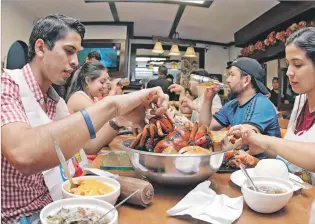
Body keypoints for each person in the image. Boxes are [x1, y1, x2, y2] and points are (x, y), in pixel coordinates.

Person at [1, 14, 167, 223]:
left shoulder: (55, 101)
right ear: (40, 48)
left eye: (77, 54)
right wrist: (113, 105)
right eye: (69, 51)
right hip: (23, 216)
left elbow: (87, 148)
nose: (74, 62)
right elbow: (22, 153)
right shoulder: (6, 86)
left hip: (58, 202)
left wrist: (122, 117)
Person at [228, 27, 315, 189]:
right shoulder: (301, 102)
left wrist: (267, 141)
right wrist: (260, 145)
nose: (289, 73)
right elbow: (292, 156)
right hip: (295, 195)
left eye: (298, 65)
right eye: (288, 64)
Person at [199, 57, 281, 159]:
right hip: (239, 163)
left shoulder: (262, 104)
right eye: (228, 75)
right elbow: (205, 127)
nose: (227, 80)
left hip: (262, 168)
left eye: (232, 75)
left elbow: (246, 135)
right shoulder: (232, 104)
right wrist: (208, 99)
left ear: (246, 80)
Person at [66, 62, 132, 154]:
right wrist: (112, 91)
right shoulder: (78, 98)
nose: (105, 86)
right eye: (102, 82)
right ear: (88, 81)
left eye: (107, 81)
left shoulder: (93, 98)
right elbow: (104, 119)